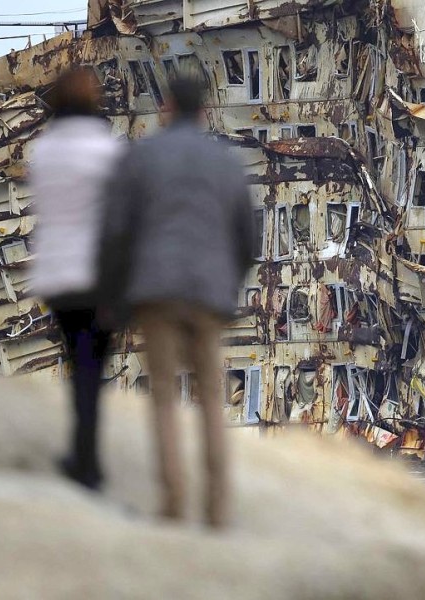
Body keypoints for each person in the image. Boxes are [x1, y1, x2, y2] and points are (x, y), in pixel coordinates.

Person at [98, 76, 254, 528]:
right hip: (209, 292)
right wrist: (230, 287)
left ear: (166, 108)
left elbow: (118, 232)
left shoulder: (141, 156)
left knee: (164, 396)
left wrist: (116, 297)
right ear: (204, 111)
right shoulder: (225, 162)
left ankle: (172, 502)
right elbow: (247, 236)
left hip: (155, 291)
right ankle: (217, 508)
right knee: (210, 396)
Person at [30, 67, 123, 490]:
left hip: (57, 276)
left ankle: (80, 454)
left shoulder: (44, 151)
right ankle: (88, 461)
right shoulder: (106, 151)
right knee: (93, 367)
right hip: (97, 276)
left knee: (75, 360)